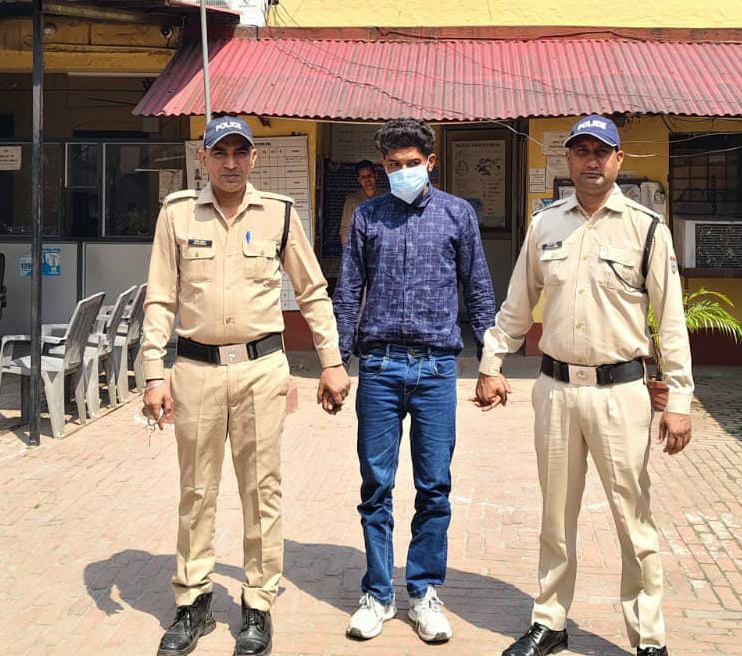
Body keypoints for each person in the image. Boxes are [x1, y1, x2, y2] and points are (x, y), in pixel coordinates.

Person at [474, 115, 693, 656]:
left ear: (618, 160)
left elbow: (671, 321)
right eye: (581, 151)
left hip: (621, 394)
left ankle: (648, 637)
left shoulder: (646, 228)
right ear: (568, 160)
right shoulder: (545, 226)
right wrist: (492, 361)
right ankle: (550, 620)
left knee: (632, 519)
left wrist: (679, 399)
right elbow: (518, 304)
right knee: (556, 515)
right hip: (556, 390)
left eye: (601, 151)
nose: (591, 161)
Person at [141, 115, 351, 656]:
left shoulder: (278, 214)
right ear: (203, 159)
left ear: (254, 158)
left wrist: (331, 361)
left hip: (261, 370)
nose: (230, 163)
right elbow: (160, 297)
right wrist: (153, 373)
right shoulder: (177, 214)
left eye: (240, 152)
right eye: (220, 153)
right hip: (196, 372)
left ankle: (257, 604)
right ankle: (194, 601)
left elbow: (313, 291)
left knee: (262, 490)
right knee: (196, 490)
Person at [334, 118, 496, 644]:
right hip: (380, 368)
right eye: (393, 165)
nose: (402, 171)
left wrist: (490, 362)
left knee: (434, 487)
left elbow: (478, 289)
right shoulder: (368, 217)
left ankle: (424, 591)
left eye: (411, 163)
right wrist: (335, 362)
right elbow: (348, 291)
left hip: (436, 369)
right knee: (376, 487)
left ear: (430, 162)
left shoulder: (457, 215)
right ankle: (378, 594)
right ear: (383, 166)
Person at [338, 159, 380, 246]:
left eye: (369, 175)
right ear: (358, 180)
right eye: (363, 177)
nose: (367, 179)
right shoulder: (352, 201)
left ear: (376, 176)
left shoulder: (387, 198)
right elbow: (345, 230)